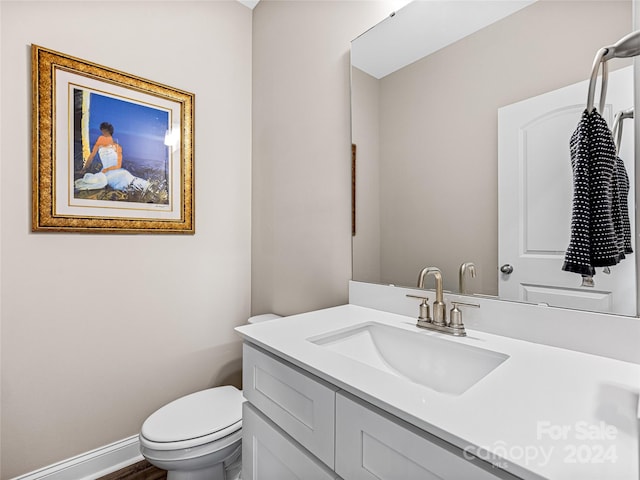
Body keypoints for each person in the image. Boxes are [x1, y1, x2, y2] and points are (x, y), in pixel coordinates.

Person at [76, 122, 149, 192]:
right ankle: (140, 187)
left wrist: (107, 169)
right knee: (123, 175)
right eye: (103, 132)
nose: (103, 134)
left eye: (104, 132)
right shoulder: (101, 139)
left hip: (113, 170)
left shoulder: (118, 147)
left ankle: (146, 186)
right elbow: (92, 156)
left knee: (125, 174)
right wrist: (84, 169)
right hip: (106, 173)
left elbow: (118, 165)